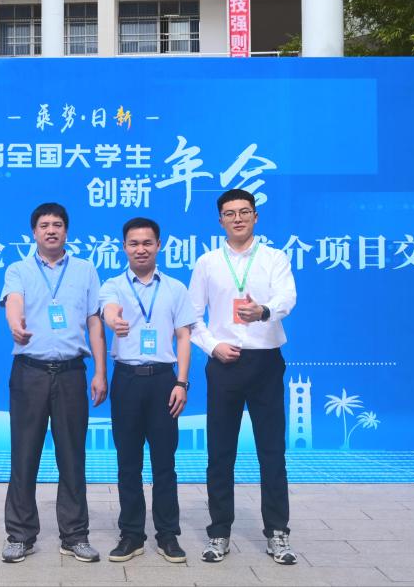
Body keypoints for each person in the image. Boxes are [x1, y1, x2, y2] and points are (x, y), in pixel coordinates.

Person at [188, 188, 298, 565]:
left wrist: (264, 311)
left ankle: (278, 533)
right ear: (220, 220)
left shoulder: (274, 258)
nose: (238, 218)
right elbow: (192, 316)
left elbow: (287, 297)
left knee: (272, 452)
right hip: (224, 364)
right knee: (220, 454)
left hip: (265, 362)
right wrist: (213, 346)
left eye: (244, 212)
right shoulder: (207, 263)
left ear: (255, 217)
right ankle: (219, 532)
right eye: (230, 213)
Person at [0, 202, 108, 564]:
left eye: (57, 224)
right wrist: (15, 324)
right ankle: (20, 535)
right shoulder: (19, 269)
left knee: (72, 456)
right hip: (29, 372)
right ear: (34, 232)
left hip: (72, 372)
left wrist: (100, 371)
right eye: (44, 225)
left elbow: (94, 321)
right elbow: (14, 301)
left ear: (66, 231)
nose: (51, 230)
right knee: (24, 455)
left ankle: (75, 535)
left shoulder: (85, 269)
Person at [99, 217, 194, 563]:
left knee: (164, 462)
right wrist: (114, 320)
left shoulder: (175, 288)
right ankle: (131, 535)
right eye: (134, 243)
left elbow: (184, 336)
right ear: (124, 247)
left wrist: (181, 382)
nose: (141, 249)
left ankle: (168, 535)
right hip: (126, 380)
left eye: (147, 243)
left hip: (164, 381)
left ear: (159, 246)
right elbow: (108, 309)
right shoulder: (113, 285)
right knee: (128, 462)